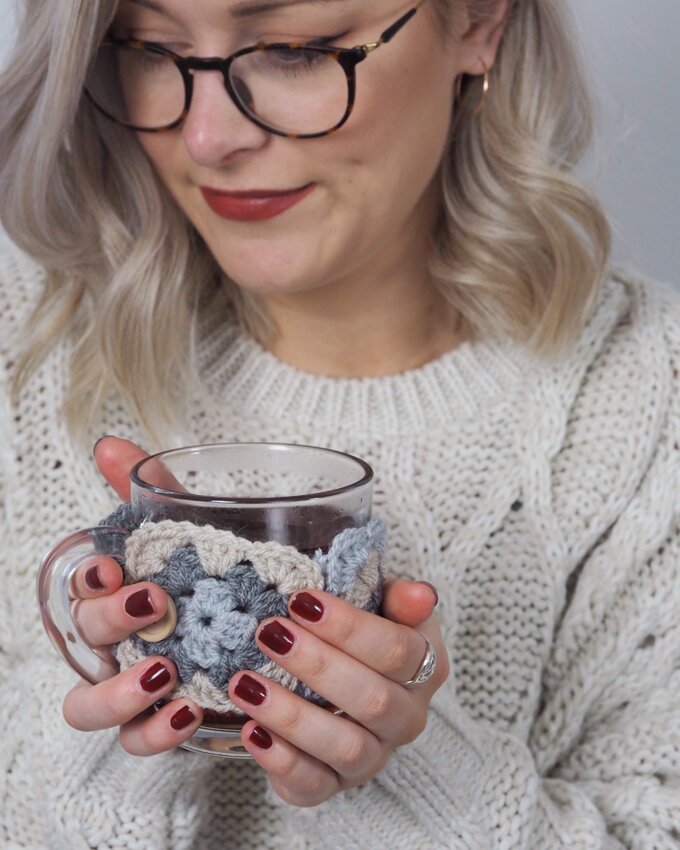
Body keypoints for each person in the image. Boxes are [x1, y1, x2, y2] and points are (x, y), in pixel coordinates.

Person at [0, 0, 678, 847]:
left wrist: (408, 760)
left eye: (294, 50)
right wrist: (136, 708)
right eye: (149, 48)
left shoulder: (655, 405)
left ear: (479, 22)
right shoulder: (23, 351)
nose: (209, 137)